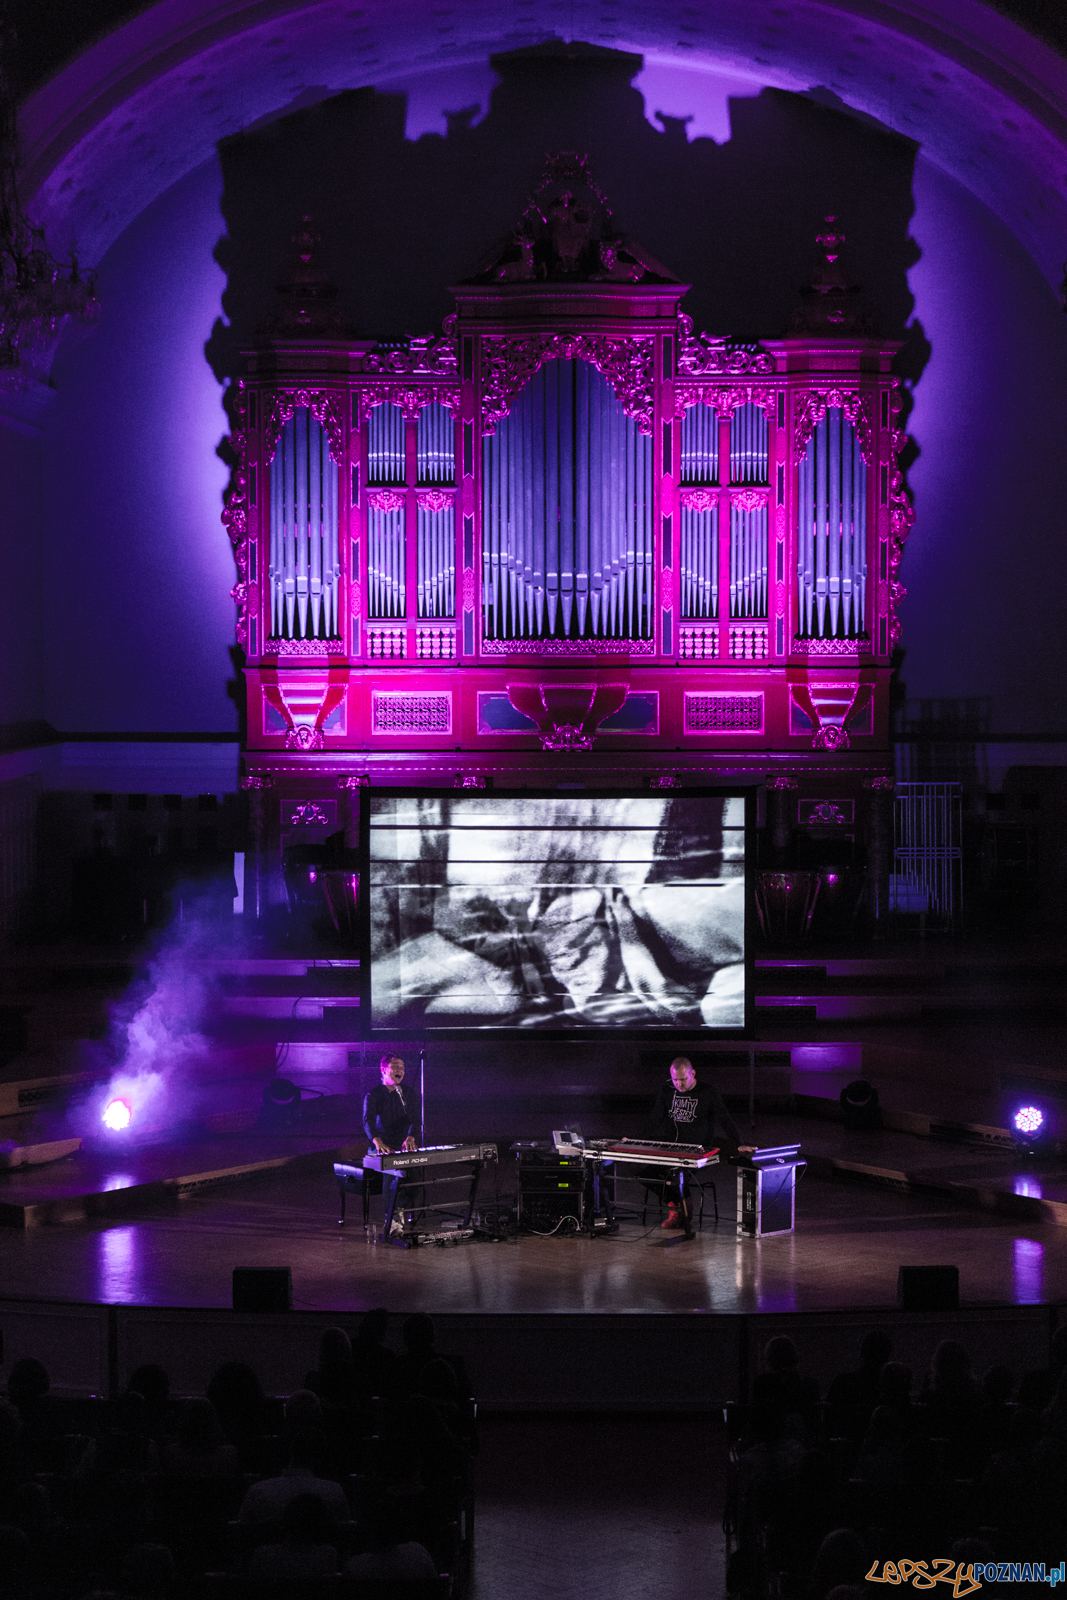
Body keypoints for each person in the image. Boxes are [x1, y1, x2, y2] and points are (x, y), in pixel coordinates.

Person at [644, 1056, 753, 1229]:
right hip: (672, 1148)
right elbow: (654, 1119)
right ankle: (676, 1205)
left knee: (676, 1173)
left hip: (698, 1151)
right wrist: (633, 1139)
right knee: (641, 1169)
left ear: (693, 1074)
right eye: (675, 1080)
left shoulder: (707, 1092)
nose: (679, 1084)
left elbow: (724, 1118)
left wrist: (738, 1142)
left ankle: (678, 1212)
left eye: (683, 1079)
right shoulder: (667, 1090)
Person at [363, 1055, 419, 1153]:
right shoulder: (373, 1095)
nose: (399, 1070)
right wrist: (377, 1141)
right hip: (382, 1145)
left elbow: (416, 1119)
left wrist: (411, 1137)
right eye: (395, 1066)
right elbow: (368, 1121)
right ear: (383, 1070)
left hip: (404, 1144)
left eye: (402, 1067)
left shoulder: (408, 1093)